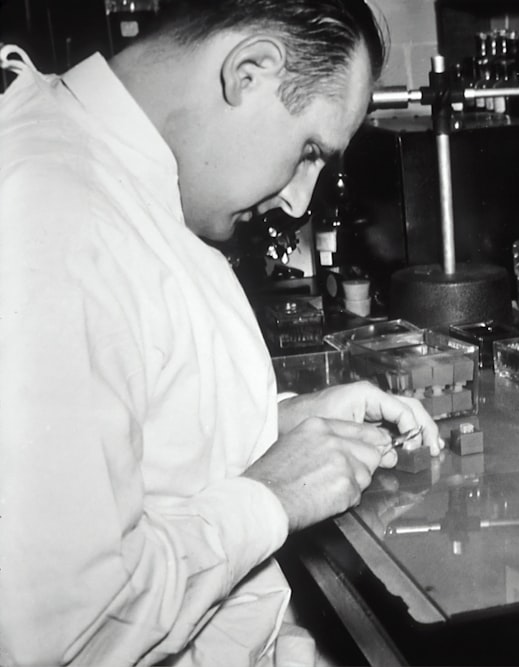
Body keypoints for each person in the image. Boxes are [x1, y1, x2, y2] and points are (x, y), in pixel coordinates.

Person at [0, 1, 442, 665]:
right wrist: (275, 493)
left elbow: (138, 446)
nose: (298, 199)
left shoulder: (125, 179)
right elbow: (69, 635)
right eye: (310, 151)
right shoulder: (57, 212)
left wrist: (283, 424)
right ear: (250, 73)